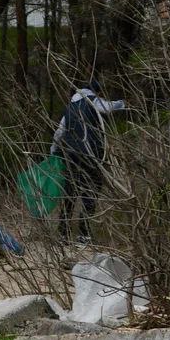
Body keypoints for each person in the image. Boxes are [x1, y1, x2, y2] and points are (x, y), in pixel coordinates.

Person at [52, 79, 125, 243]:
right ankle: (83, 235)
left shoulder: (70, 107)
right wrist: (124, 103)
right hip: (90, 156)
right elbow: (108, 108)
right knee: (90, 192)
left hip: (71, 156)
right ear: (95, 92)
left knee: (69, 193)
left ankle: (63, 234)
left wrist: (54, 150)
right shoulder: (92, 102)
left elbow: (59, 132)